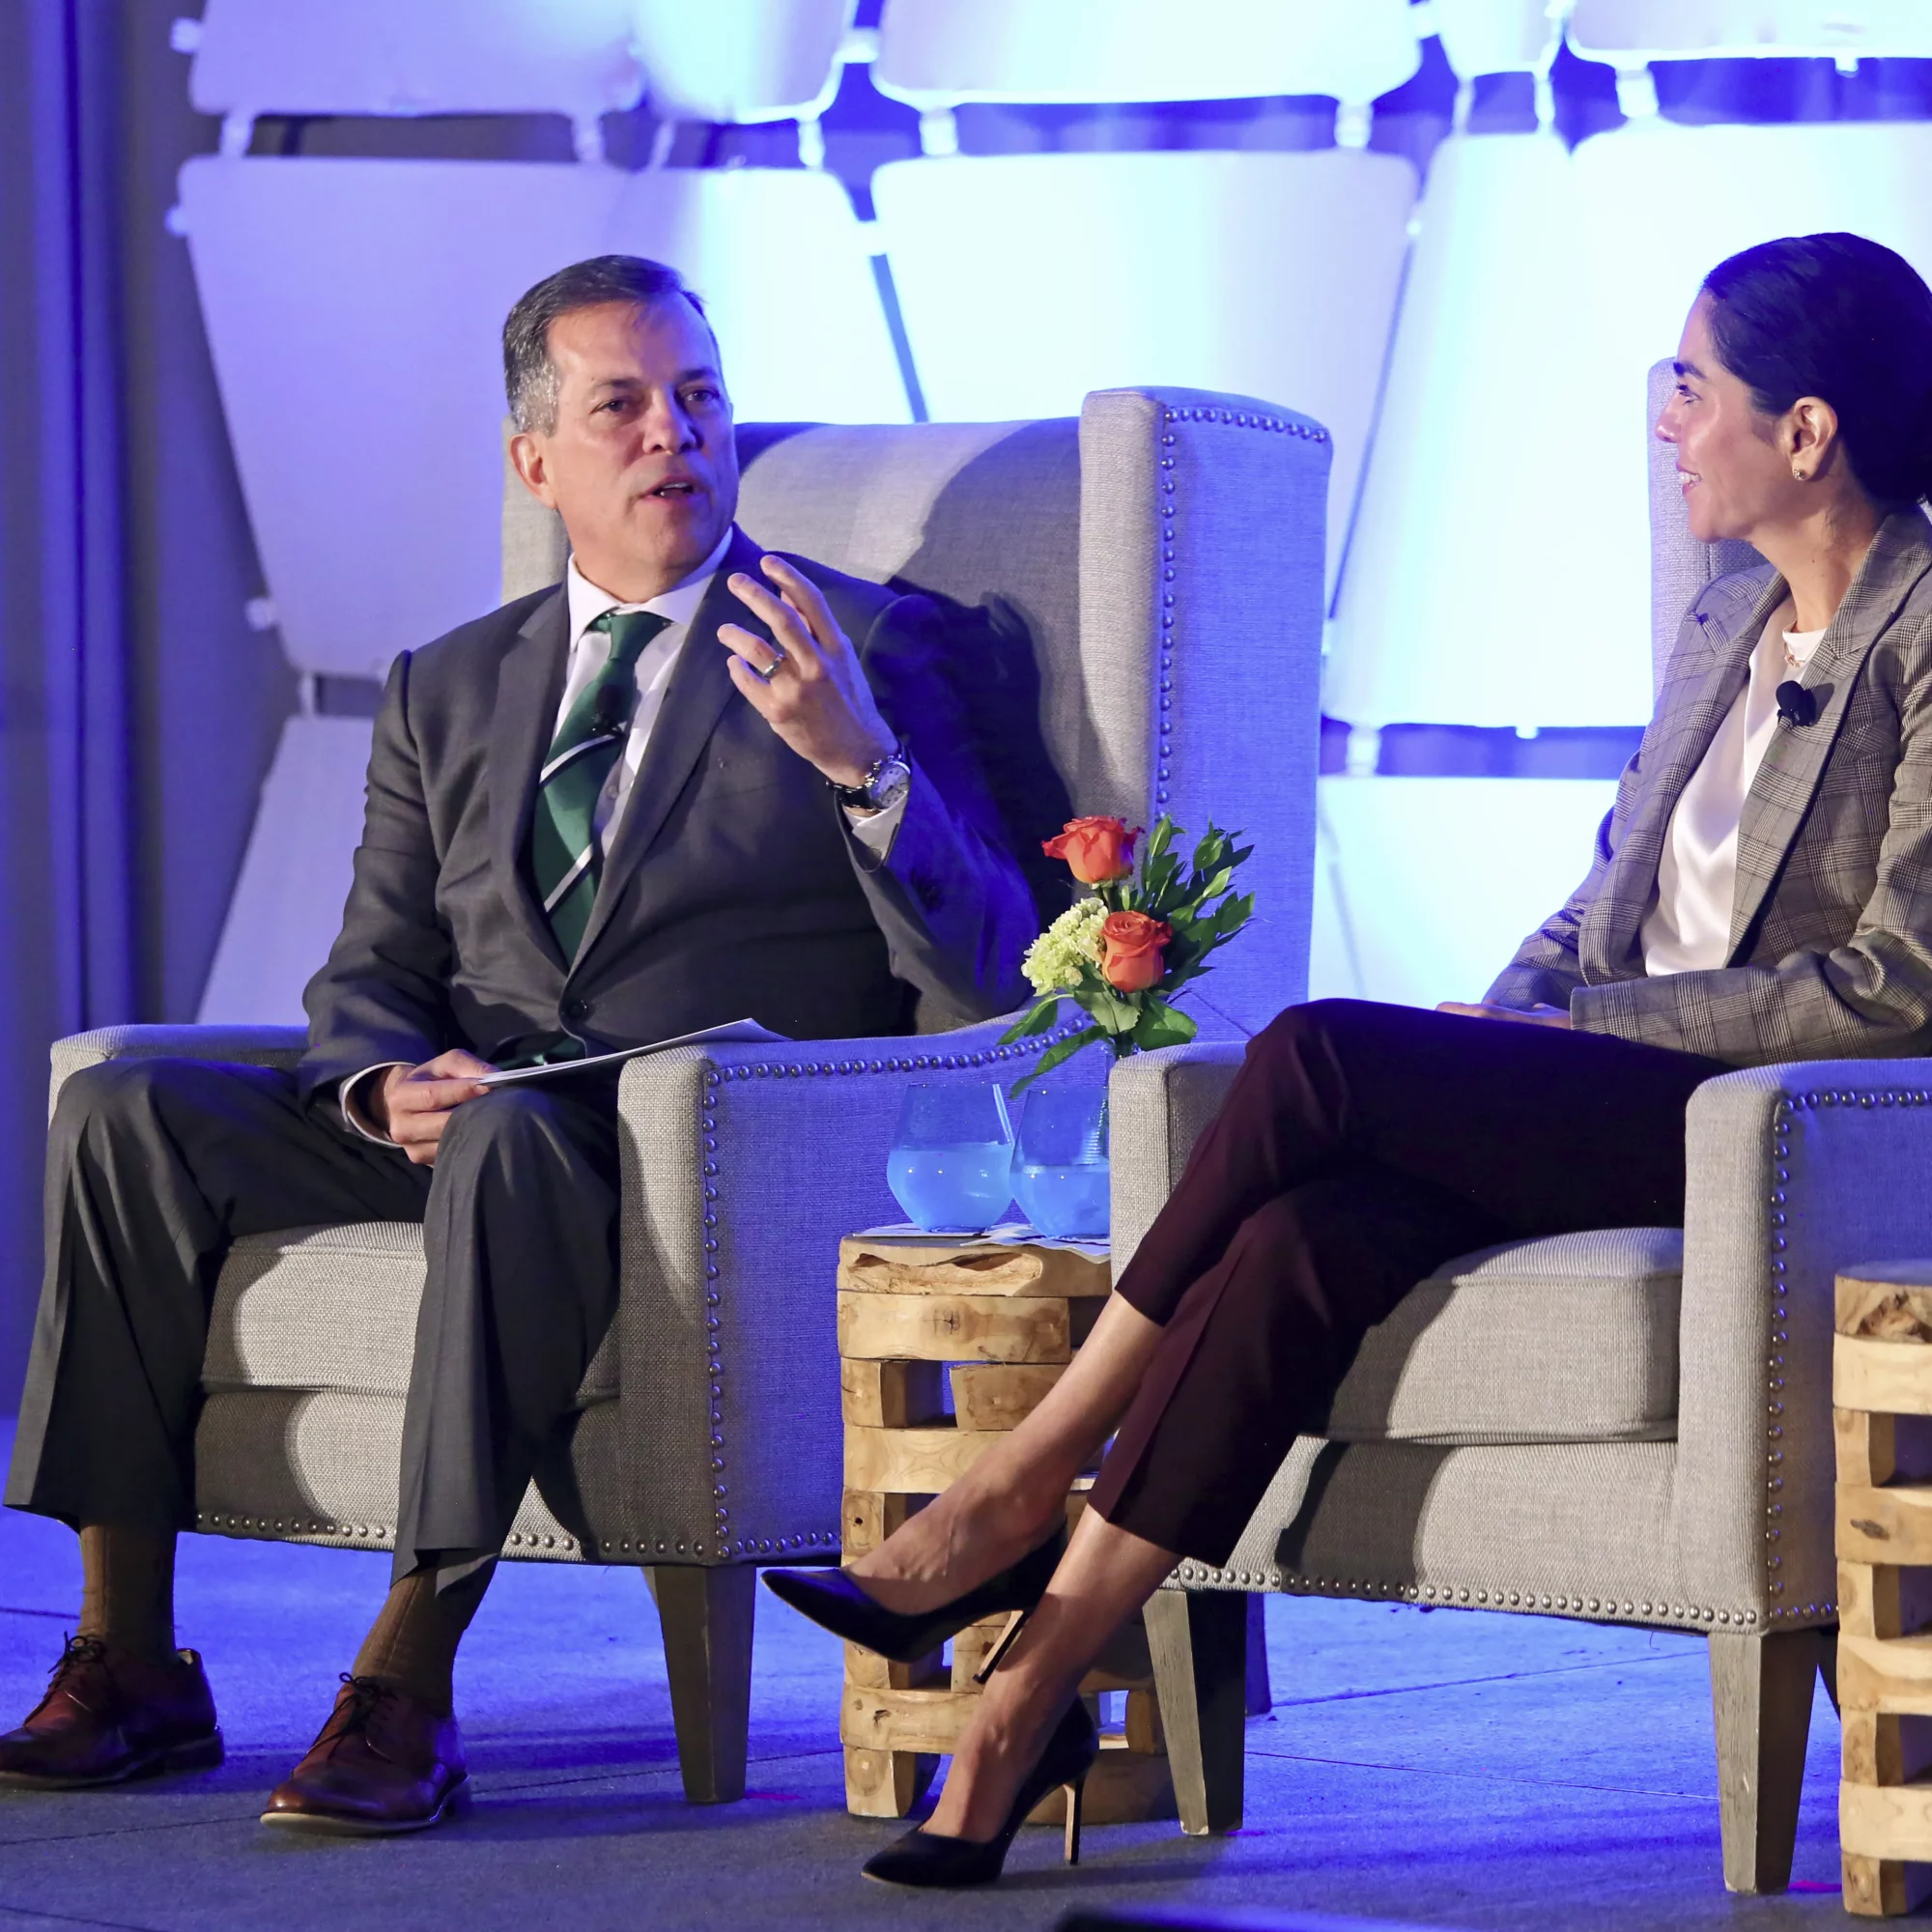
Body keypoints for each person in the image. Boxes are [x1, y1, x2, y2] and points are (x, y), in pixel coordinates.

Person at [765, 230, 1932, 1889]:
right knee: (1305, 1242)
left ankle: (1018, 1480)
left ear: (1804, 432)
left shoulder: (1925, 631)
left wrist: (1576, 1031)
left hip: (1761, 1124)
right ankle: (1025, 1699)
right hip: (1609, 1078)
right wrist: (1511, 1010)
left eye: (1689, 387)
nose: (1665, 423)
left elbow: (1898, 983)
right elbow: (1609, 893)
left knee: (1310, 1054)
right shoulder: (1728, 623)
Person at [1, 254, 1037, 1833]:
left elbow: (992, 987)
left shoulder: (869, 649)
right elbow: (372, 966)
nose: (672, 437)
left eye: (698, 399)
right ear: (534, 458)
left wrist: (861, 768)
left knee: (508, 1134)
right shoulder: (451, 685)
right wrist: (371, 1081)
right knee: (127, 1110)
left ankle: (407, 1677)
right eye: (621, 405)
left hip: (683, 1149)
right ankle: (128, 1652)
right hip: (469, 1121)